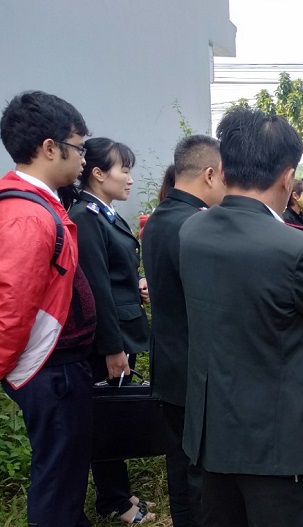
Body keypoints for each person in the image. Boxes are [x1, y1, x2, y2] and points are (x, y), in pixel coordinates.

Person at [179, 107, 303, 526]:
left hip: (211, 433)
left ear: (222, 168)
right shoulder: (292, 248)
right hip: (278, 441)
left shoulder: (191, 231)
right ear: (288, 176)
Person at [0, 91, 95, 527]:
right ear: (50, 147)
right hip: (47, 371)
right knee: (57, 479)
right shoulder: (28, 216)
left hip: (54, 367)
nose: (83, 159)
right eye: (79, 147)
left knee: (66, 470)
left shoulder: (34, 205)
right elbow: (11, 307)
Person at [65, 137, 154, 524]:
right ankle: (115, 502)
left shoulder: (105, 213)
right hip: (106, 341)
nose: (130, 179)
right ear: (98, 174)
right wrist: (112, 347)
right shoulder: (86, 216)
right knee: (108, 418)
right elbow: (96, 287)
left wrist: (134, 286)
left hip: (119, 331)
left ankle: (115, 493)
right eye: (125, 169)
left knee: (112, 414)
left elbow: (113, 276)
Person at [141, 135, 225, 526]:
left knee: (179, 466)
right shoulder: (197, 225)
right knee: (200, 474)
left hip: (168, 366)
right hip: (196, 371)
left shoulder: (158, 218)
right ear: (209, 174)